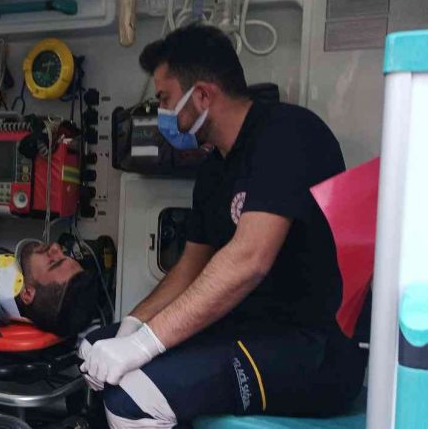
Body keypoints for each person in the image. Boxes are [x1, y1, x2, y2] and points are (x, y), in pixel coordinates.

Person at [79, 24, 367, 428]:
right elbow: (189, 268)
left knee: (132, 399)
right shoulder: (215, 170)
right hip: (246, 327)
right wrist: (132, 327)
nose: (161, 113)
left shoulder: (288, 134)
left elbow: (250, 260)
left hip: (312, 347)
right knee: (95, 345)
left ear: (201, 95)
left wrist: (143, 346)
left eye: (164, 99)